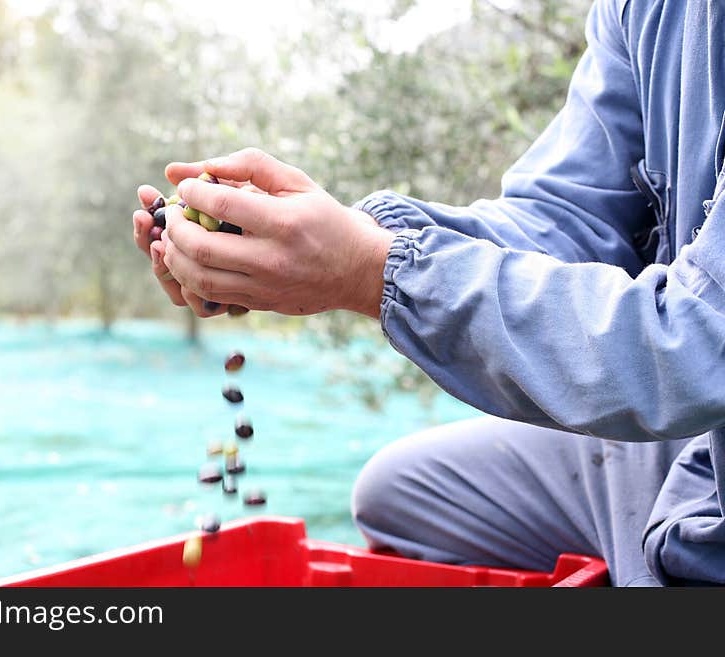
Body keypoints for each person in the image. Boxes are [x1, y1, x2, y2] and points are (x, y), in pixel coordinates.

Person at [132, 0, 725, 586]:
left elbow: (701, 344)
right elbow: (570, 220)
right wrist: (330, 242)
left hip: (699, 419)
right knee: (402, 491)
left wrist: (370, 270)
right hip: (695, 448)